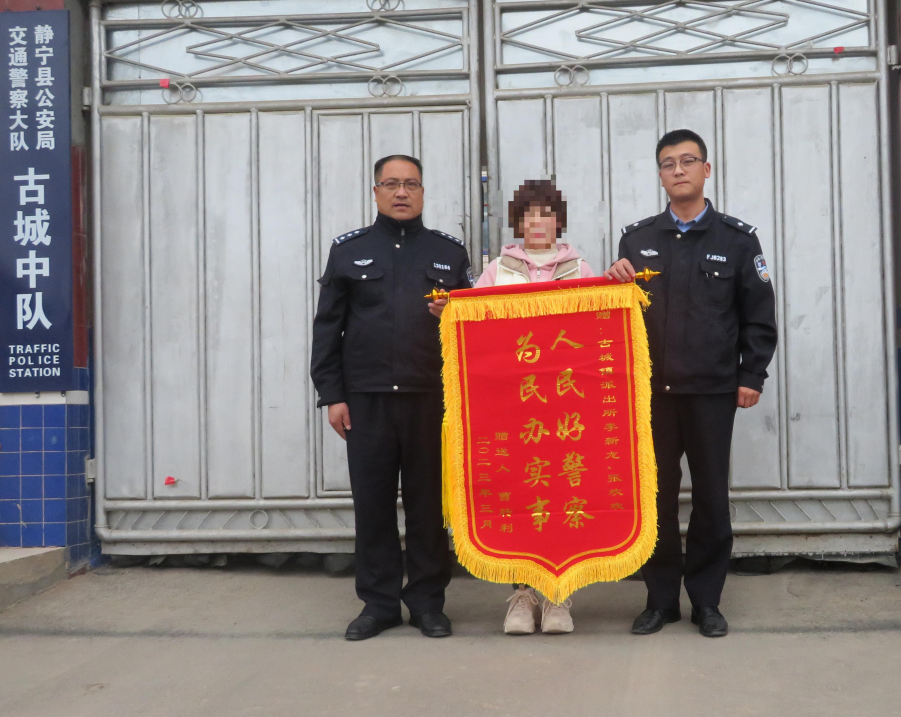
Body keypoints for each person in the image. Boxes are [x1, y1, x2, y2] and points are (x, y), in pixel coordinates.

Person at [605, 129, 777, 638]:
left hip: (712, 392)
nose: (678, 170)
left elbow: (758, 314)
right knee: (655, 498)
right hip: (651, 395)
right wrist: (613, 285)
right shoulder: (636, 241)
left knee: (710, 498)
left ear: (706, 169)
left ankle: (706, 601)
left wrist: (751, 374)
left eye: (687, 161)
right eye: (668, 163)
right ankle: (660, 600)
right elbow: (618, 319)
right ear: (660, 175)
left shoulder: (737, 240)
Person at [311, 154, 472, 641]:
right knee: (373, 505)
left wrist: (452, 315)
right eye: (392, 184)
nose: (402, 192)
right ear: (376, 191)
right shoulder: (349, 251)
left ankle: (426, 603)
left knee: (428, 506)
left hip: (431, 399)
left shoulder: (448, 253)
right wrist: (332, 395)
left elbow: (472, 329)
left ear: (423, 192)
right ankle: (378, 604)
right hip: (367, 400)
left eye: (411, 184)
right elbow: (328, 328)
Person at [474, 180, 595, 635]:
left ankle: (559, 595)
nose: (537, 223)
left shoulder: (579, 268)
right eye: (528, 215)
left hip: (565, 406)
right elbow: (474, 326)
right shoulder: (497, 271)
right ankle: (522, 596)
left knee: (562, 494)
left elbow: (597, 329)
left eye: (546, 213)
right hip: (514, 405)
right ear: (517, 222)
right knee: (522, 496)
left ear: (558, 220)